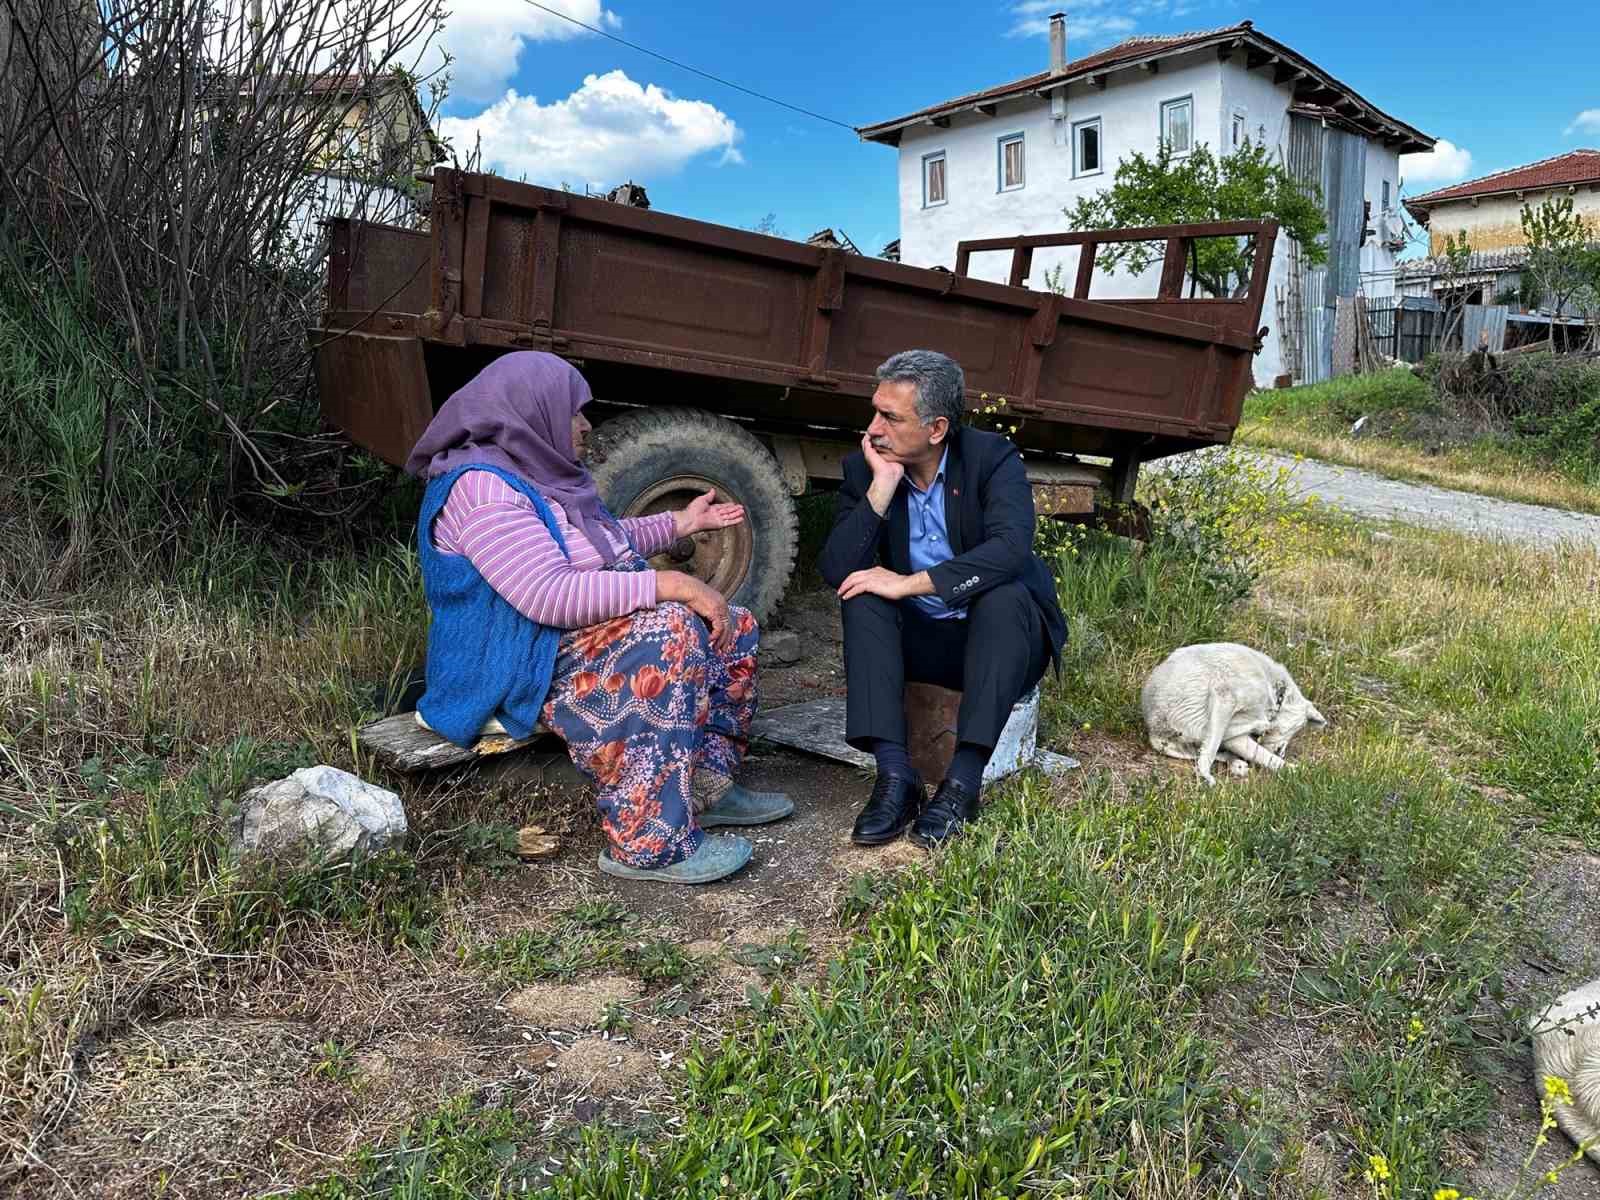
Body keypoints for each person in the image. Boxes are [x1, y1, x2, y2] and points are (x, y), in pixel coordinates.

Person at [404, 352, 792, 884]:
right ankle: (648, 841)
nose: (585, 425)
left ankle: (705, 788)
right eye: (574, 412)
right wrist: (670, 583)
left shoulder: (538, 473)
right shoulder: (482, 489)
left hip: (555, 644)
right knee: (669, 630)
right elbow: (546, 593)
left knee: (734, 625)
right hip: (515, 660)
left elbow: (598, 543)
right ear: (532, 411)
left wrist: (682, 522)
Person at [818, 349, 1066, 849]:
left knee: (1006, 596)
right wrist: (882, 488)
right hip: (922, 640)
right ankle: (895, 778)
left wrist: (908, 583)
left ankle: (961, 786)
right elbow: (836, 569)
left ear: (936, 429)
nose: (873, 429)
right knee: (862, 591)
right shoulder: (868, 468)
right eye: (874, 411)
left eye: (890, 417)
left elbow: (1010, 550)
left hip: (996, 640)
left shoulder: (991, 459)